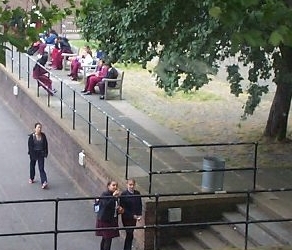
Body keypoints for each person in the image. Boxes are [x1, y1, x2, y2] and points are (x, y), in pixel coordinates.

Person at [96, 180, 124, 250]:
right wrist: (113, 197)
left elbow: (114, 206)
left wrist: (119, 209)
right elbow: (106, 205)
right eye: (113, 185)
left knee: (106, 238)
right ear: (108, 186)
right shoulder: (105, 194)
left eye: (116, 185)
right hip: (105, 220)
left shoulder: (115, 196)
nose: (115, 187)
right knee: (107, 239)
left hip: (111, 219)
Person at [120, 179, 143, 250]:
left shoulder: (137, 193)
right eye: (130, 185)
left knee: (130, 233)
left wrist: (139, 215)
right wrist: (132, 215)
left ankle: (127, 248)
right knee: (129, 233)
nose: (132, 186)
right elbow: (123, 208)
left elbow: (139, 204)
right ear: (127, 185)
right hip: (126, 217)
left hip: (134, 218)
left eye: (133, 185)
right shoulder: (123, 194)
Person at [27, 122, 49, 189]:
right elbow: (30, 147)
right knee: (32, 166)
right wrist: (32, 155)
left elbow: (45, 145)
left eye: (40, 127)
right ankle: (31, 178)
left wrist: (45, 153)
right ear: (35, 129)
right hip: (33, 153)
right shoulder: (32, 137)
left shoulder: (43, 136)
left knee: (41, 168)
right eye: (38, 127)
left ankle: (44, 181)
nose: (39, 129)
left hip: (41, 154)